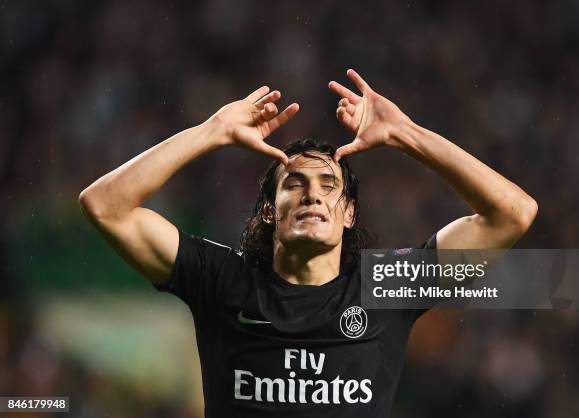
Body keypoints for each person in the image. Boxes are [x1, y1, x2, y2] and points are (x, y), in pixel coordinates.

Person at [79, 69, 537, 417]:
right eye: (294, 183)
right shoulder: (222, 281)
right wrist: (210, 132)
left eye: (328, 184)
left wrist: (408, 135)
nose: (313, 193)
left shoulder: (386, 286)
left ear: (349, 213)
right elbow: (104, 205)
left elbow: (512, 213)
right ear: (269, 210)